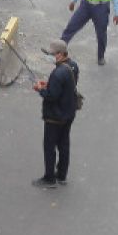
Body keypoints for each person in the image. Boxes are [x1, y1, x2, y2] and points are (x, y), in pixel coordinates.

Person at [32, 40, 79, 189]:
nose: (49, 57)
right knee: (64, 144)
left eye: (51, 54)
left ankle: (49, 178)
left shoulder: (58, 73)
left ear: (60, 54)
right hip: (69, 113)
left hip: (55, 117)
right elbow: (66, 86)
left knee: (49, 146)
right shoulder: (73, 66)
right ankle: (62, 175)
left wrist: (40, 89)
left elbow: (51, 96)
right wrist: (49, 84)